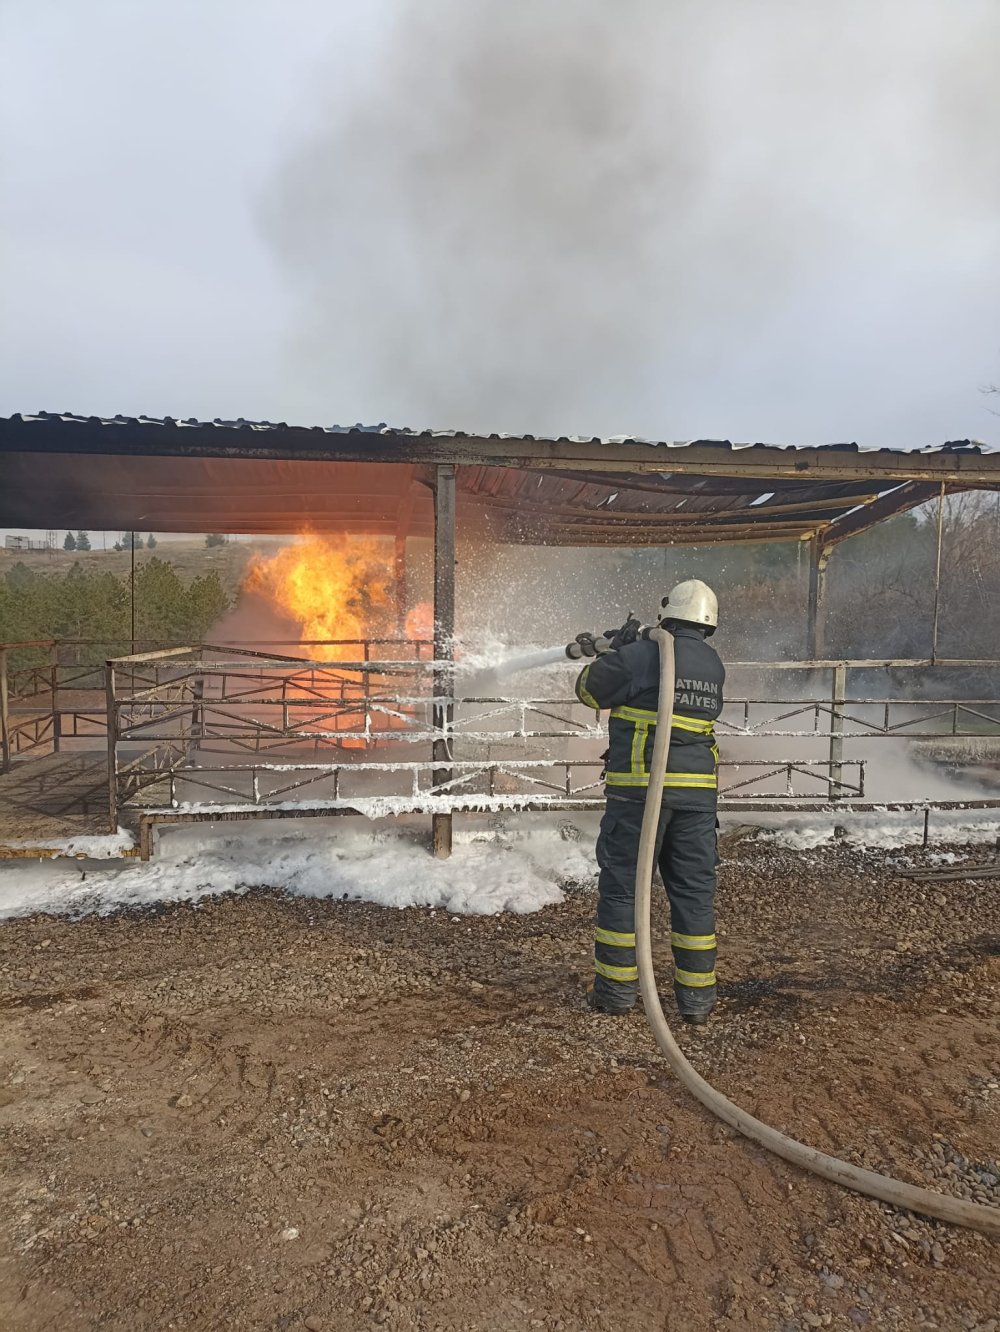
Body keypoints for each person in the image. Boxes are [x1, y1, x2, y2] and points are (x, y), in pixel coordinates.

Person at [570, 579, 725, 1024]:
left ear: (666, 615)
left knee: (623, 891)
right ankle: (696, 1002)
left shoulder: (643, 655)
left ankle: (616, 993)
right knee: (694, 895)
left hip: (641, 796)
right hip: (697, 800)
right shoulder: (713, 664)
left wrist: (614, 652)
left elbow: (588, 691)